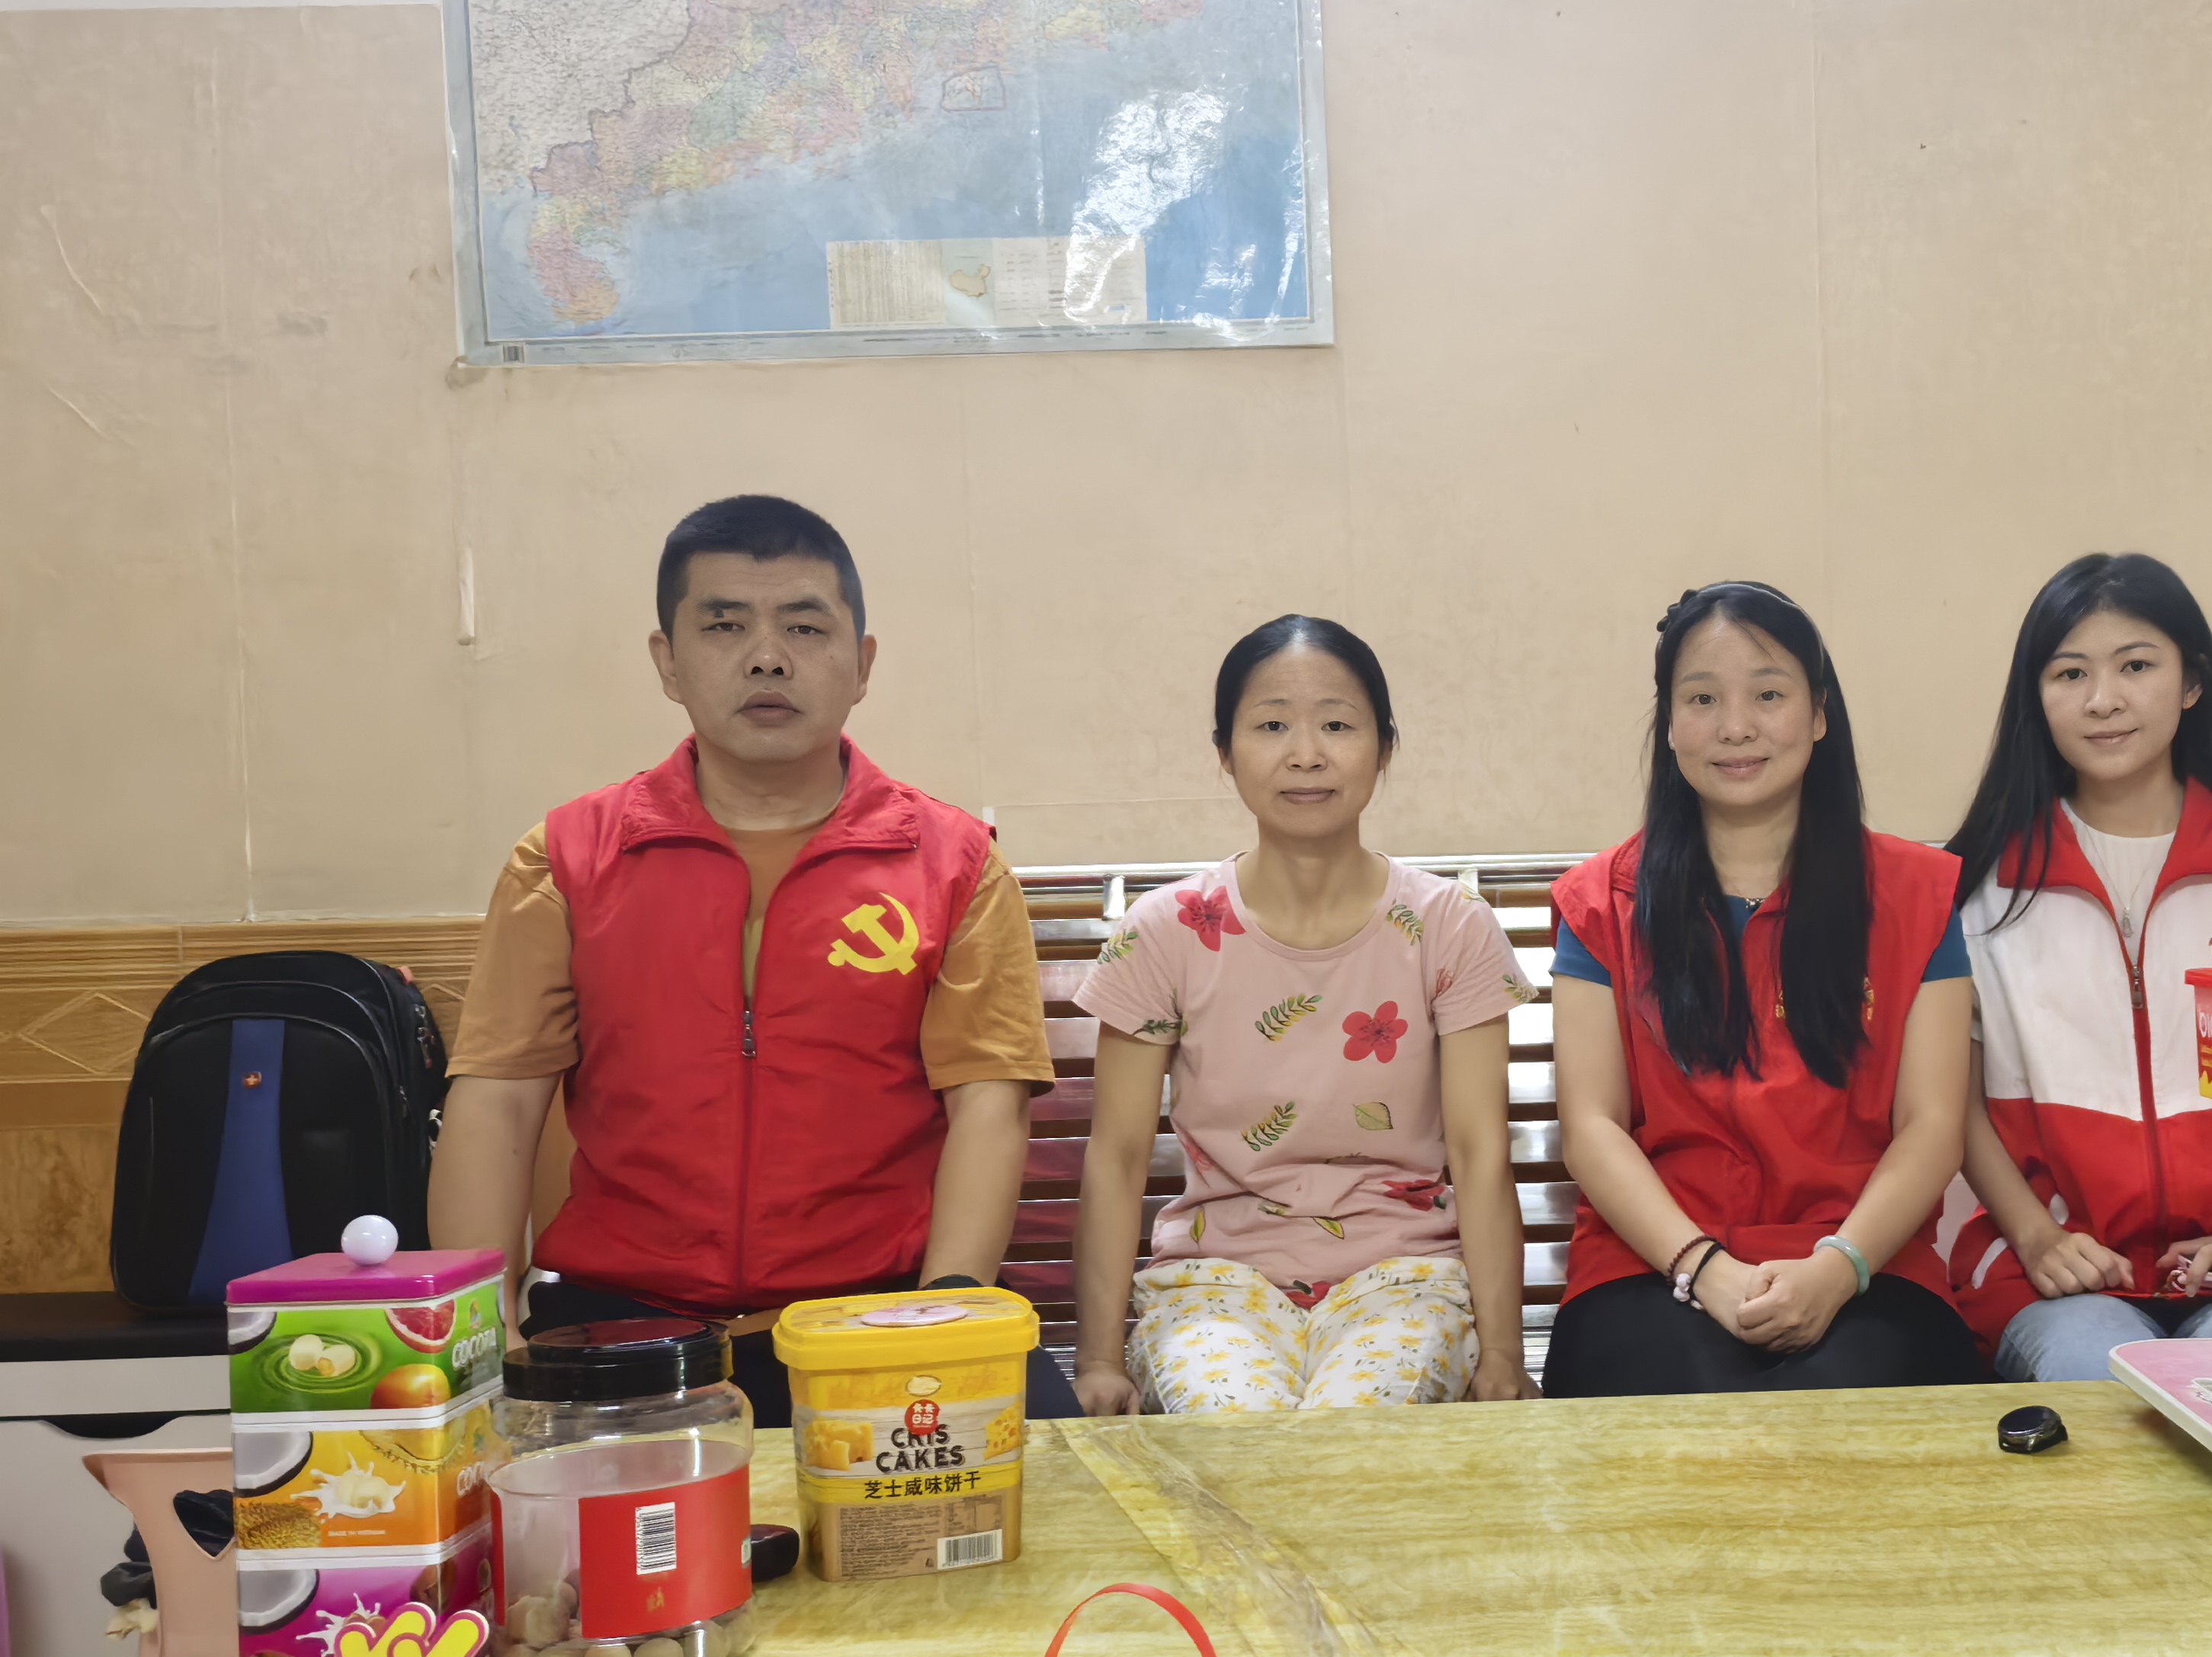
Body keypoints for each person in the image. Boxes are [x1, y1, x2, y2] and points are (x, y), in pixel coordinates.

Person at [428, 495, 1058, 1426]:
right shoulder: (566, 859)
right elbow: (498, 1101)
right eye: (725, 625)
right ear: (668, 662)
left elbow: (987, 1106)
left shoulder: (953, 863)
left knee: (1059, 1481)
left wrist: (943, 1314)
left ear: (862, 664)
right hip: (622, 1323)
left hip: (880, 1315)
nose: (767, 657)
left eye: (805, 625)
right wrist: (482, 1334)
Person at [1068, 617, 1534, 1414]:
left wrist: (1501, 1355)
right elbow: (1116, 1157)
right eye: (1272, 725)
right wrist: (1099, 1361)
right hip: (1214, 1286)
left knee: (1353, 1430)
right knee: (1235, 1428)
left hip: (1406, 1279)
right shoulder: (1167, 931)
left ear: (1384, 748)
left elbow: (1479, 1151)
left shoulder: (1449, 925)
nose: (1307, 754)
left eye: (1338, 726)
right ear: (1225, 751)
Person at [1544, 584, 1978, 1396]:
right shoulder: (1600, 904)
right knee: (1685, 1416)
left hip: (1869, 1268)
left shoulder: (1917, 896)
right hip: (1649, 1268)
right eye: (1702, 699)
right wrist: (1703, 1269)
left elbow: (1931, 1127)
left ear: (1819, 714)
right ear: (1669, 722)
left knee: (1847, 1407)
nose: (1735, 727)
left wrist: (1838, 1267)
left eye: (1768, 695)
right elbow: (1592, 1126)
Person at [1944, 553, 2212, 1380]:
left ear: (2191, 683)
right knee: (2095, 1376)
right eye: (2070, 673)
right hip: (2054, 1274)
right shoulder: (1977, 886)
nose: (2103, 700)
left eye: (2136, 666)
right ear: (2037, 697)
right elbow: (1950, 1106)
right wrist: (2036, 1236)